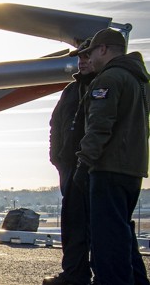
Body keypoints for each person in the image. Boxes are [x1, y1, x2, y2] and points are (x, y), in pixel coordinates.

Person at [75, 28, 149, 284]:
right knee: (122, 235)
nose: (90, 59)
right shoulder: (139, 80)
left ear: (103, 49)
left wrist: (84, 164)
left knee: (107, 241)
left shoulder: (109, 79)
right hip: (133, 169)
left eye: (91, 52)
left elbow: (99, 126)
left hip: (109, 168)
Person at [43, 39, 95, 285]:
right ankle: (75, 274)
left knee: (100, 226)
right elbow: (55, 124)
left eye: (87, 56)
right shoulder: (71, 90)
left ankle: (109, 275)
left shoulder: (103, 86)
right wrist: (57, 158)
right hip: (70, 168)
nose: (82, 61)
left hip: (95, 168)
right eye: (80, 57)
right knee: (73, 225)